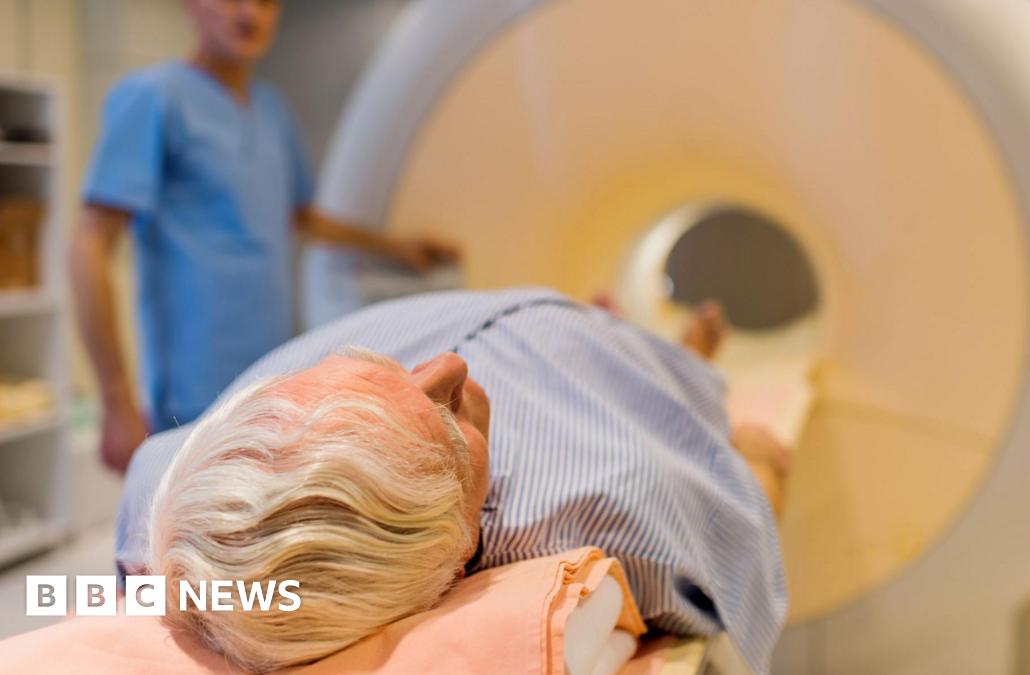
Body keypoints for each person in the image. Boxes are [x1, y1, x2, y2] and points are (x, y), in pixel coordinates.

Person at [118, 287, 790, 673]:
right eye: (446, 420)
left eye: (387, 371)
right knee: (679, 397)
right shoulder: (613, 515)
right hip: (592, 365)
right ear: (457, 547)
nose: (447, 367)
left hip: (489, 307)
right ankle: (682, 356)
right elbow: (742, 529)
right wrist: (760, 459)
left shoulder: (159, 480)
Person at [69, 0, 457, 475]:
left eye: (268, 1)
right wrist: (115, 399)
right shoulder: (154, 98)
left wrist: (395, 247)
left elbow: (302, 217)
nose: (251, 12)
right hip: (190, 399)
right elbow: (89, 245)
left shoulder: (270, 110)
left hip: (271, 381)